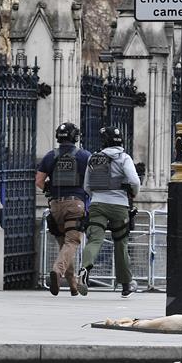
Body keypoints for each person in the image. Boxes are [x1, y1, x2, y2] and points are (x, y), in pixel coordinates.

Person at [77, 126, 141, 298]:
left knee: (95, 239)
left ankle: (84, 269)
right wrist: (134, 192)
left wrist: (97, 196)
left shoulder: (93, 158)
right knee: (121, 243)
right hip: (119, 206)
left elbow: (86, 186)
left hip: (97, 204)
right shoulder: (124, 157)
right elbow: (134, 180)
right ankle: (126, 285)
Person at [35, 122, 91, 296]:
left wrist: (49, 190)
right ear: (75, 137)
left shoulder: (50, 156)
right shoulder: (84, 156)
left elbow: (38, 181)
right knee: (72, 242)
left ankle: (72, 284)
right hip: (76, 204)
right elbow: (93, 180)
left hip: (56, 206)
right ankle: (57, 271)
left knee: (64, 245)